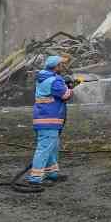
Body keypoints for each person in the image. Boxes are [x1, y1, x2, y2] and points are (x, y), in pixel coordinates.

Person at [26, 54, 74, 189]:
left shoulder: (44, 78)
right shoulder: (54, 81)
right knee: (44, 148)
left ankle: (52, 173)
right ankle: (35, 178)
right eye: (61, 64)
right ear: (56, 67)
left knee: (52, 147)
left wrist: (66, 84)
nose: (63, 67)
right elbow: (65, 95)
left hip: (44, 120)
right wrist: (70, 86)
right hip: (49, 120)